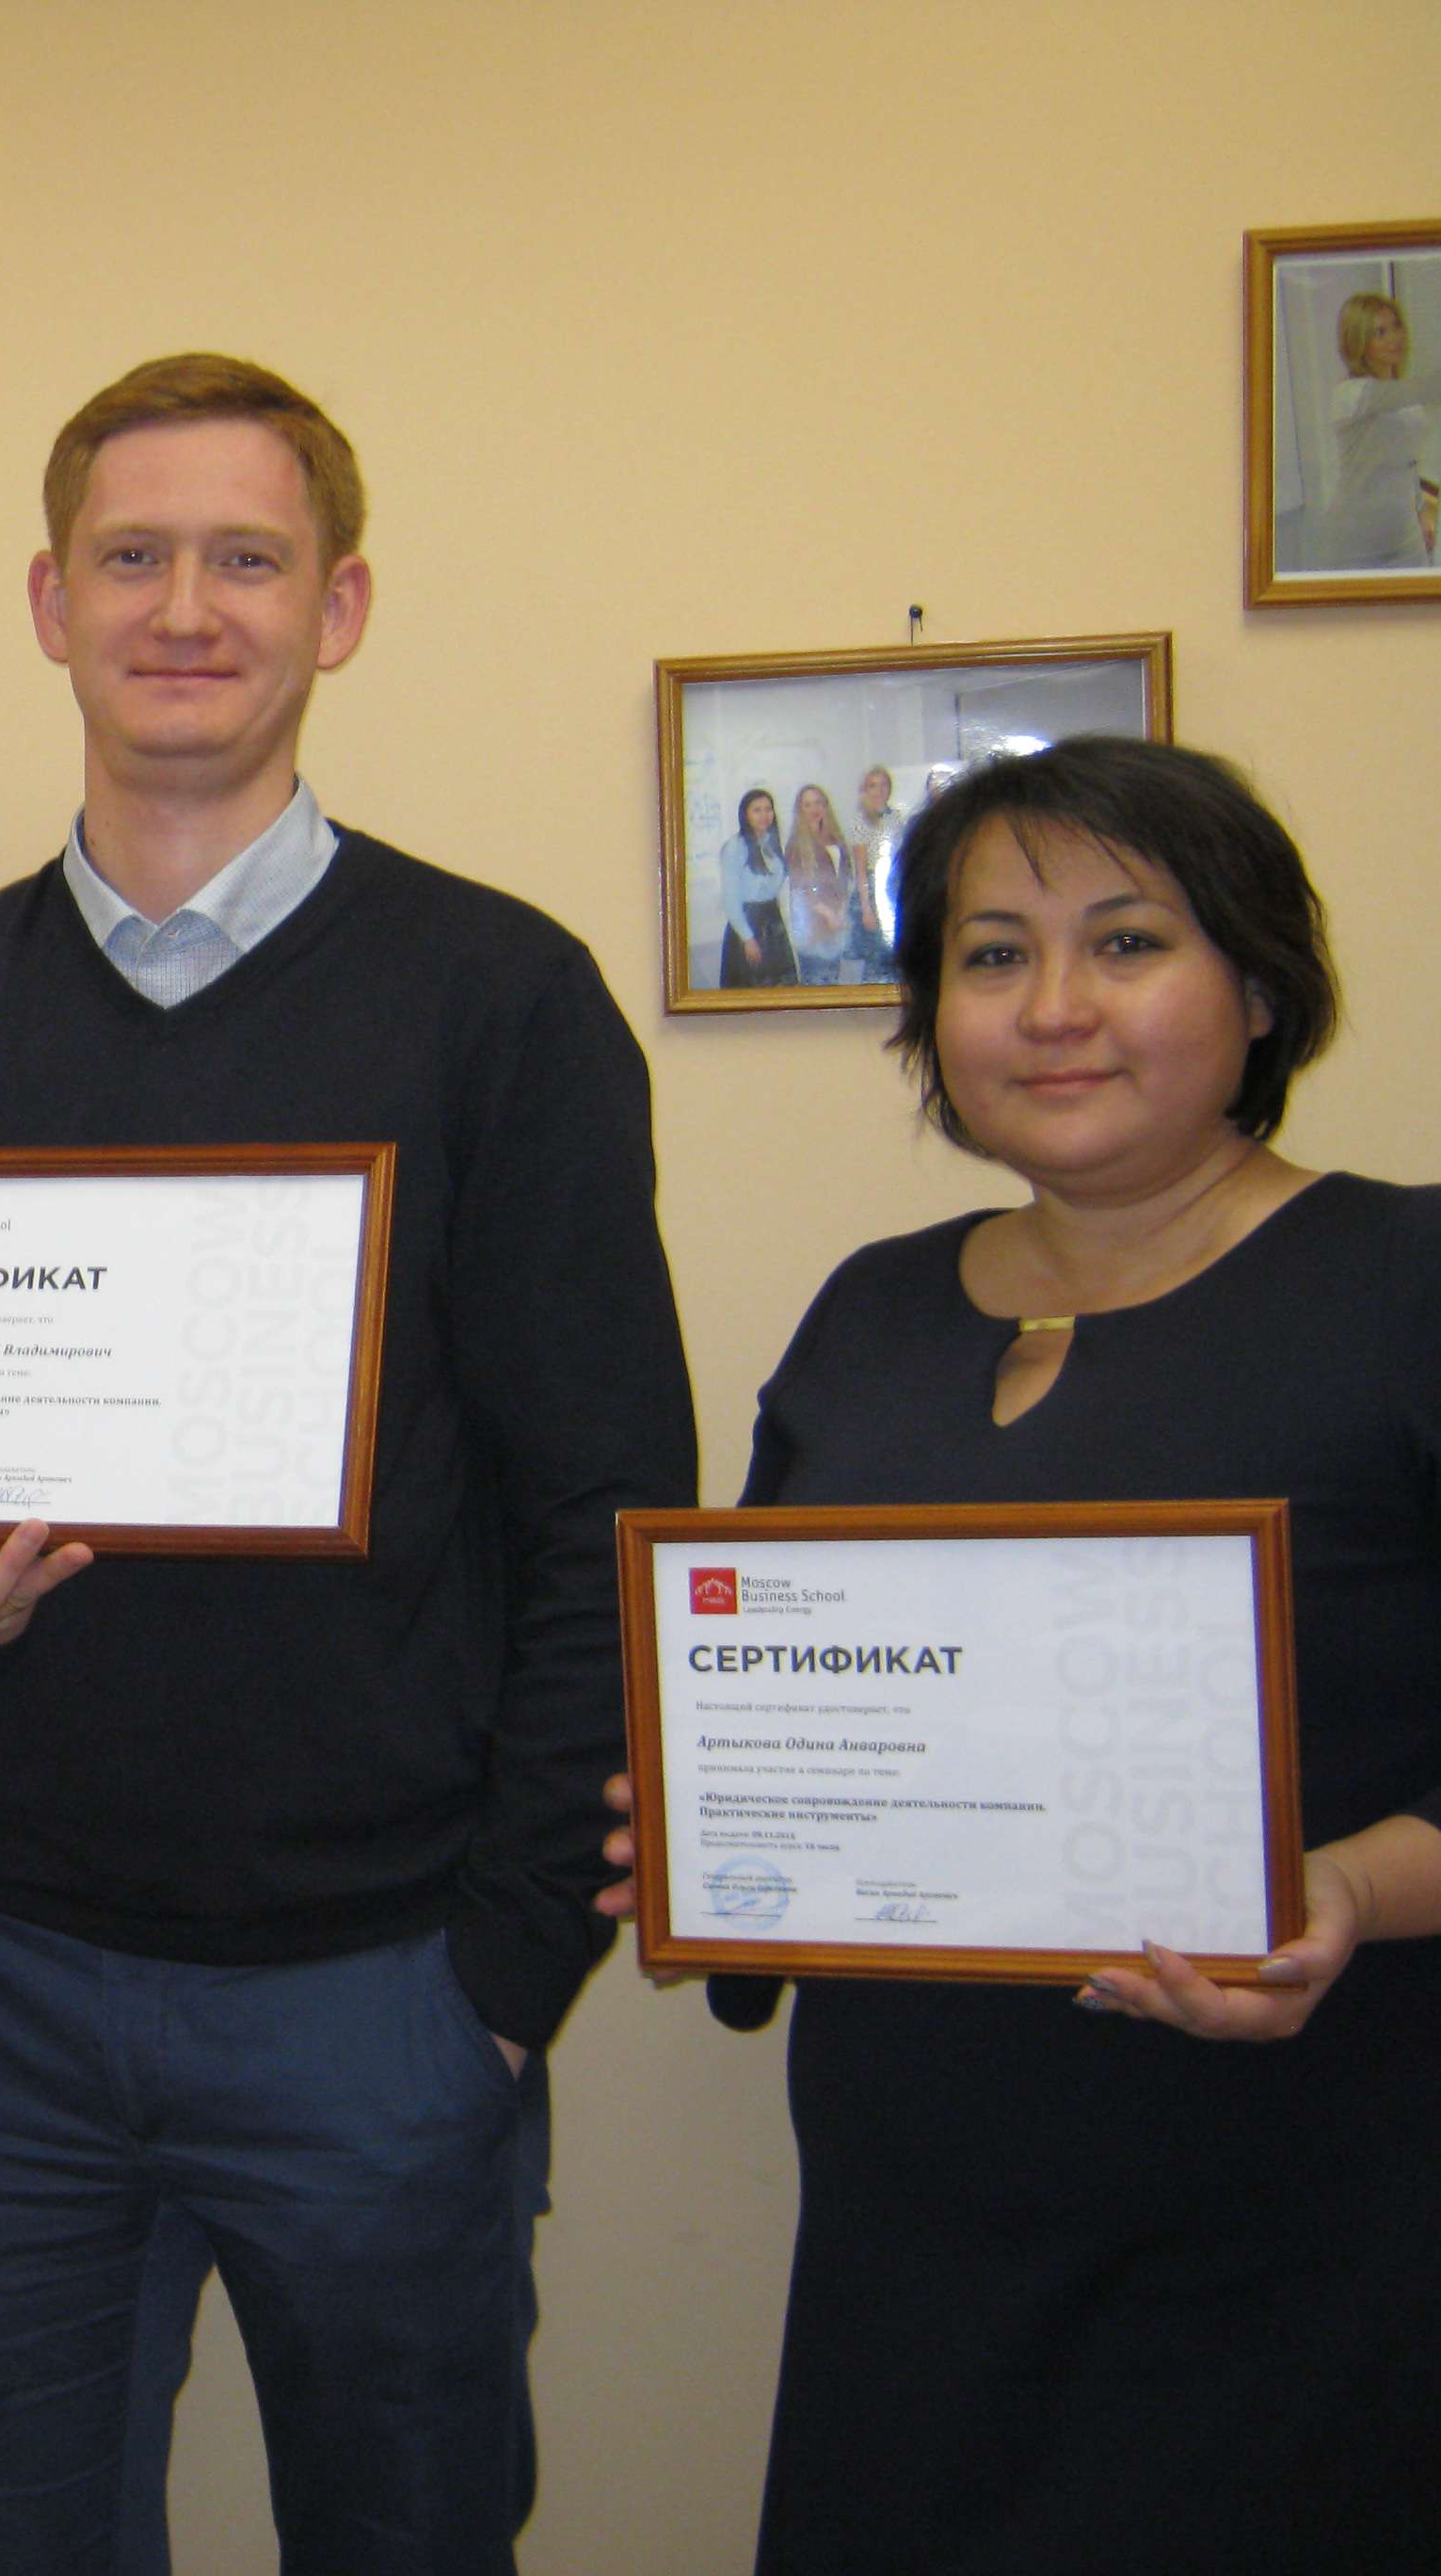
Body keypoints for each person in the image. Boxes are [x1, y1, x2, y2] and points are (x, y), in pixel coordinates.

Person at [0, 353, 696, 2575]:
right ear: (49, 600)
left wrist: (501, 1978)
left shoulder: (502, 998)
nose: (186, 608)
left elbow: (608, 1516)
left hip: (381, 1987)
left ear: (338, 607)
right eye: (133, 555)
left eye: (247, 559)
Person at [602, 733, 1441, 2572]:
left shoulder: (1405, 1283)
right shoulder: (875, 1307)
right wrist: (702, 1816)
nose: (1053, 1007)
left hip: (1299, 2220)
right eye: (992, 955)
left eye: (1127, 942)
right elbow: (773, 1668)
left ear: (1257, 986)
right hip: (916, 2236)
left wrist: (1350, 1890)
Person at [1323, 287, 1439, 569]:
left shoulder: (1402, 397)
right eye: (1380, 332)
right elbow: (1421, 390)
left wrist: (1422, 511)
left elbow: (1406, 463)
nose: (1394, 338)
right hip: (1357, 539)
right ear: (1359, 343)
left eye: (1396, 326)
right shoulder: (1350, 395)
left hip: (1406, 535)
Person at [716, 789, 797, 988]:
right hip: (748, 924)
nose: (764, 815)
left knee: (781, 990)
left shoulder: (771, 843)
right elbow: (730, 899)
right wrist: (748, 938)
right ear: (745, 814)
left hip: (773, 921)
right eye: (757, 810)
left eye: (768, 809)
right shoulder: (734, 847)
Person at [781, 783, 859, 984]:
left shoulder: (835, 838)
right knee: (816, 983)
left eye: (818, 803)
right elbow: (802, 888)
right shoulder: (796, 844)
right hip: (812, 925)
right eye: (807, 805)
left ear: (825, 805)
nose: (814, 809)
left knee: (832, 980)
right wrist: (828, 914)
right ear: (800, 810)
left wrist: (840, 911)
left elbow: (845, 878)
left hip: (836, 922)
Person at [846, 765, 910, 968]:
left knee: (896, 952)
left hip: (894, 884)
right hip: (872, 889)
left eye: (883, 784)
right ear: (865, 790)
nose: (879, 790)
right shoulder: (860, 820)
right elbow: (861, 869)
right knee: (876, 955)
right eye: (873, 785)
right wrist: (866, 908)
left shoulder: (896, 817)